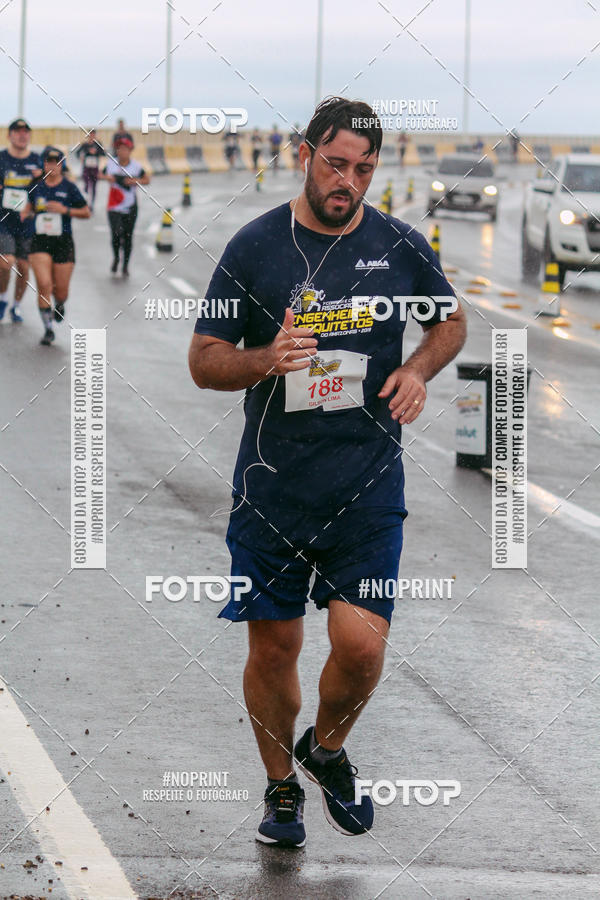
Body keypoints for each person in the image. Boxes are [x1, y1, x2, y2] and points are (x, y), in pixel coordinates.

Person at [188, 97, 466, 848]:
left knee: (363, 645)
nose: (349, 181)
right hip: (274, 487)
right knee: (274, 648)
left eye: (364, 169)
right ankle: (281, 787)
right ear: (304, 155)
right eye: (336, 164)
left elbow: (450, 320)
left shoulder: (399, 244)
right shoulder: (255, 247)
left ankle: (328, 748)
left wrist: (417, 369)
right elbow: (204, 361)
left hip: (367, 486)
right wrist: (264, 359)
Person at [21, 147, 90, 345]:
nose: (52, 166)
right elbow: (27, 207)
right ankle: (48, 329)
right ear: (44, 165)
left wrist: (65, 210)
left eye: (56, 162)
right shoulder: (36, 186)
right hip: (40, 240)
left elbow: (86, 212)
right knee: (44, 284)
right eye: (49, 162)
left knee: (61, 291)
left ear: (61, 165)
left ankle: (59, 303)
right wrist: (26, 213)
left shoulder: (69, 187)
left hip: (63, 241)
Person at [0, 118, 42, 323]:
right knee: (6, 262)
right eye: (17, 131)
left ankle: (16, 306)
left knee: (24, 268)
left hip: (28, 223)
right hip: (4, 220)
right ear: (9, 135)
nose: (22, 135)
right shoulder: (2, 158)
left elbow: (52, 185)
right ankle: (2, 299)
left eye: (26, 131)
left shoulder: (38, 160)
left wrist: (41, 179)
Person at [99, 136, 149, 276]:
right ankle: (116, 257)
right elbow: (99, 175)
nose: (122, 152)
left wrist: (135, 181)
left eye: (125, 149)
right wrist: (107, 178)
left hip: (130, 206)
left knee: (128, 237)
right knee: (115, 234)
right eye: (120, 149)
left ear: (130, 151)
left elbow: (147, 179)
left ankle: (125, 265)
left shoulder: (136, 166)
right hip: (114, 206)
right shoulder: (111, 164)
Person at [76, 129, 105, 210]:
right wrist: (82, 157)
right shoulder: (85, 145)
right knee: (86, 185)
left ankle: (92, 204)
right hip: (87, 168)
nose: (91, 136)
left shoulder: (98, 144)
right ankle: (86, 202)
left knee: (94, 187)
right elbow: (77, 153)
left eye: (93, 135)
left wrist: (96, 152)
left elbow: (103, 154)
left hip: (95, 168)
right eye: (90, 135)